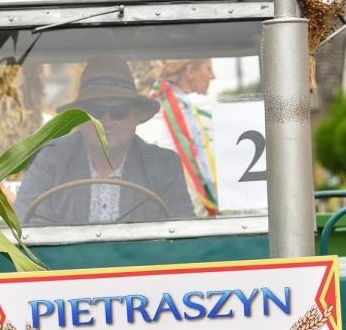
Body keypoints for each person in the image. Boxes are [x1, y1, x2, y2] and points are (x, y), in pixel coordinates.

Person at [15, 56, 193, 226]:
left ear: (136, 116)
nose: (107, 122)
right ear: (80, 117)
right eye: (96, 112)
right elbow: (27, 228)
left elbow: (183, 234)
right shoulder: (49, 160)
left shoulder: (163, 165)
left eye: (119, 111)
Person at [140, 58, 218, 217]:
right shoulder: (205, 111)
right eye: (208, 69)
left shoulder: (142, 116)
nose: (213, 76)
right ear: (190, 72)